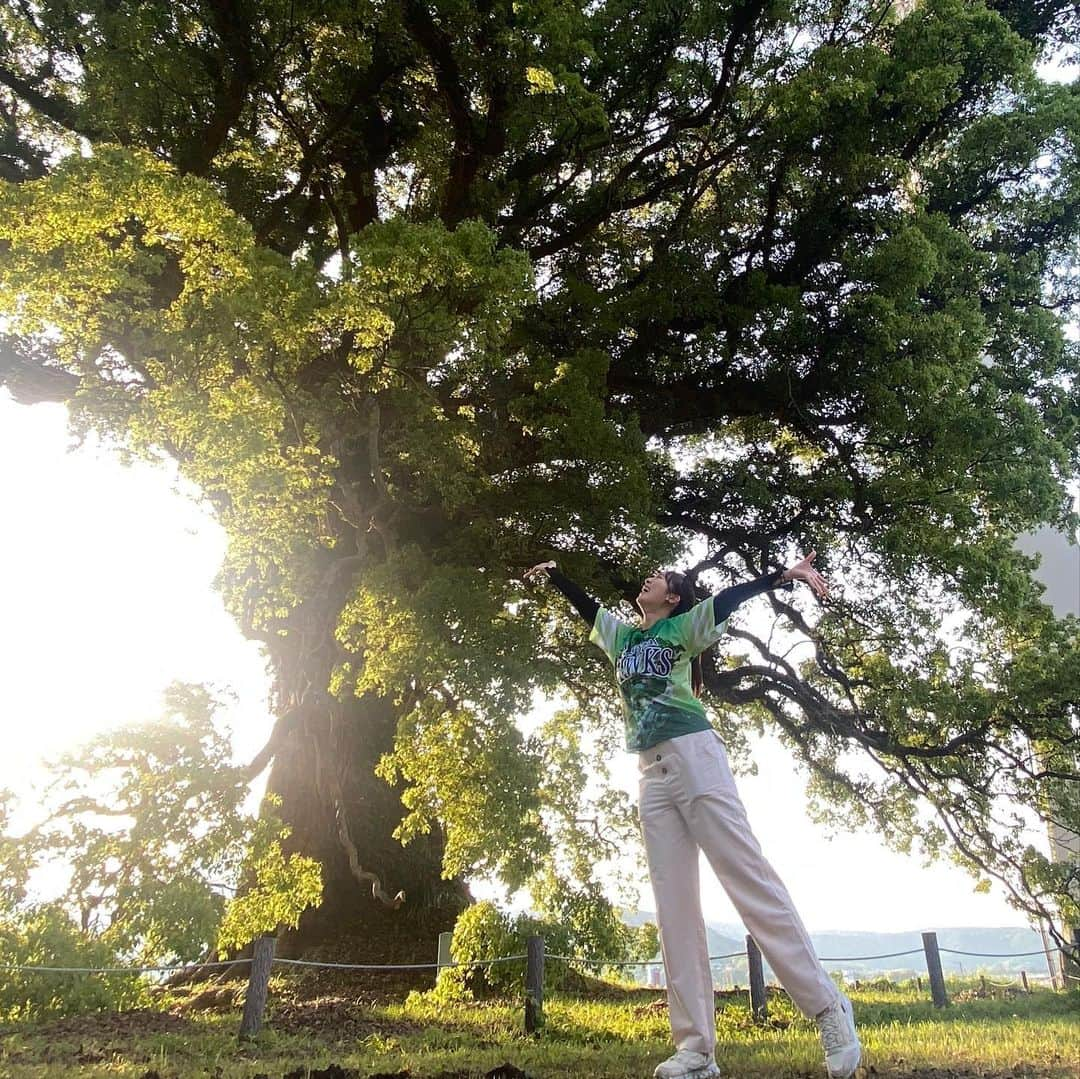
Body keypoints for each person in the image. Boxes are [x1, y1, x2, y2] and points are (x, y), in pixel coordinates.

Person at [524, 553, 861, 1079]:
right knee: (674, 908)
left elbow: (726, 601)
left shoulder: (683, 627)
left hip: (694, 756)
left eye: (657, 577)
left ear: (673, 598)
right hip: (649, 773)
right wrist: (555, 575)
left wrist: (779, 577)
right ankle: (697, 1051)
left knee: (746, 879)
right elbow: (588, 609)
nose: (647, 578)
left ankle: (827, 1007)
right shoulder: (622, 638)